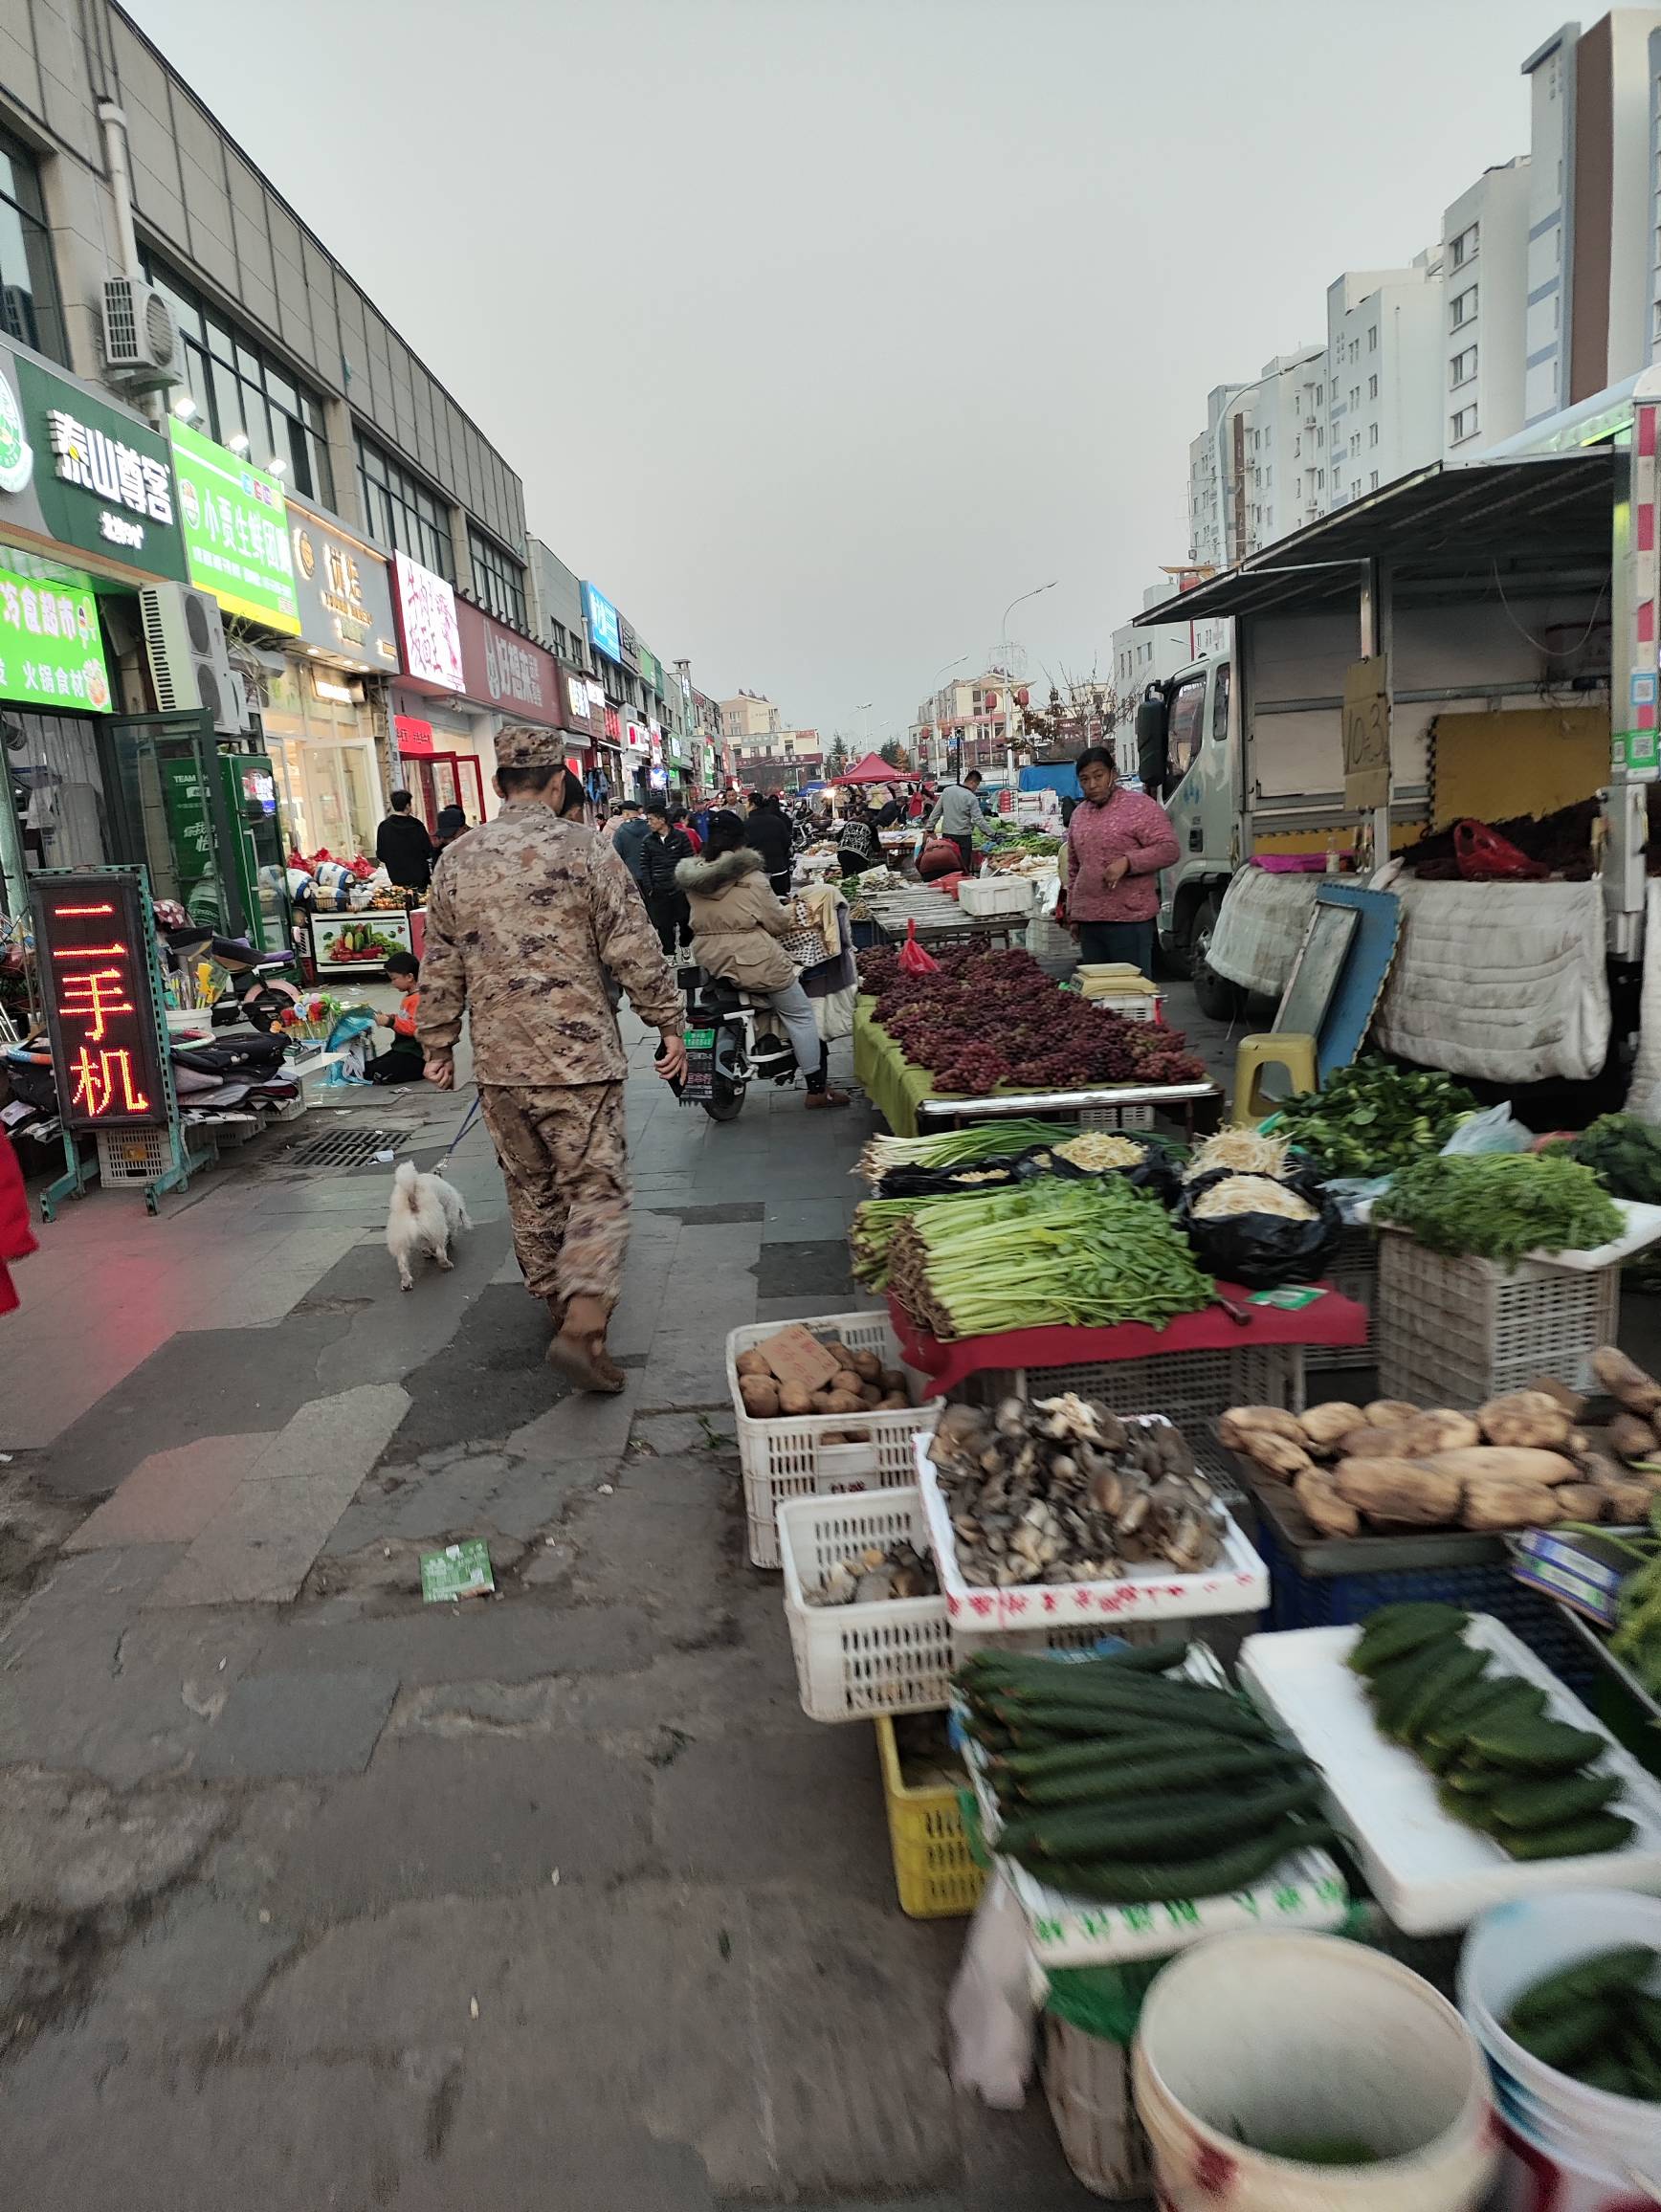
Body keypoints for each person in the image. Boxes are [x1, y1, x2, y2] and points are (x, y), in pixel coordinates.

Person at [417, 723, 686, 1392]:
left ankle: (555, 1308)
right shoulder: (588, 852)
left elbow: (440, 960)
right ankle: (586, 1319)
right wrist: (668, 1022)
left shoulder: (457, 858)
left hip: (502, 1067)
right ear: (559, 781)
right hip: (581, 1064)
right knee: (595, 1189)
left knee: (531, 1193)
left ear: (496, 783)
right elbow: (633, 946)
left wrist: (438, 1042)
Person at [676, 812, 849, 1109]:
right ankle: (817, 1089)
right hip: (753, 960)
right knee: (801, 1015)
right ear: (741, 840)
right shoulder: (752, 877)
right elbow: (778, 924)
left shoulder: (694, 877)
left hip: (708, 956)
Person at [1062, 744, 1180, 977]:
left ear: (1112, 774)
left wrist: (1127, 862)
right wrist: (1073, 912)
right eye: (1085, 779)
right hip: (1090, 921)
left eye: (1098, 776)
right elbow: (1075, 867)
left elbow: (1169, 849)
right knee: (1099, 997)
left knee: (1132, 992)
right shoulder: (1079, 814)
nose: (1092, 785)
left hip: (1129, 920)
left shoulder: (1139, 807)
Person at [640, 799, 695, 956]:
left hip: (680, 888)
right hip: (659, 890)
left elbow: (689, 859)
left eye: (651, 819)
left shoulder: (680, 837)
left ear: (662, 820)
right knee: (664, 925)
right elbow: (645, 865)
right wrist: (650, 887)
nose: (648, 823)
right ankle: (669, 952)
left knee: (685, 920)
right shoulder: (648, 841)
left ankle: (685, 947)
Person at [366, 949, 426, 1084]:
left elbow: (414, 1028)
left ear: (409, 977)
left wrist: (390, 1022)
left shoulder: (418, 999)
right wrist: (390, 1017)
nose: (392, 983)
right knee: (369, 1067)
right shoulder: (410, 997)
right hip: (402, 1050)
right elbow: (405, 1019)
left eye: (394, 978)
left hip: (415, 1055)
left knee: (377, 1073)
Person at [923, 769, 988, 875]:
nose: (976, 789)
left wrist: (930, 828)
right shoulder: (971, 797)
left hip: (947, 836)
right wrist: (992, 834)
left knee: (950, 866)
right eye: (977, 786)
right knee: (963, 868)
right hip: (964, 838)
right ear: (973, 782)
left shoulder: (947, 791)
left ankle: (950, 884)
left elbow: (936, 812)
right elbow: (979, 820)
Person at [374, 789, 436, 894]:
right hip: (420, 878)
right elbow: (427, 850)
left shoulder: (384, 827)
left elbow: (381, 854)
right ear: (407, 806)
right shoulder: (417, 825)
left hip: (397, 877)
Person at [742, 788, 796, 897]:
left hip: (758, 872)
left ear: (752, 805)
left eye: (747, 803)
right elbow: (787, 842)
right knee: (781, 903)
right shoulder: (777, 821)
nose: (746, 806)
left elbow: (743, 848)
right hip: (779, 869)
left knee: (761, 906)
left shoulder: (745, 825)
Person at [836, 792, 878, 881]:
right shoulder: (870, 826)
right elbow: (876, 846)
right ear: (871, 820)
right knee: (861, 878)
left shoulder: (850, 822)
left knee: (847, 877)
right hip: (859, 855)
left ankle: (846, 894)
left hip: (842, 853)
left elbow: (838, 837)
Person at [610, 798, 651, 891]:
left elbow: (615, 855)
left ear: (626, 814)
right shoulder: (649, 827)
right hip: (650, 875)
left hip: (631, 876)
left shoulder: (620, 832)